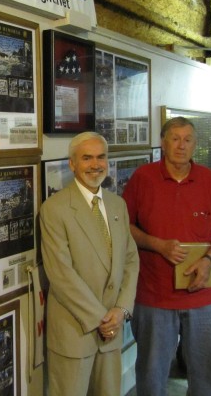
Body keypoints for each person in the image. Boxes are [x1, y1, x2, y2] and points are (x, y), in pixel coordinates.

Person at [122, 117, 211, 396]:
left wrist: (209, 259)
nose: (181, 145)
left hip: (203, 296)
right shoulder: (143, 178)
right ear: (163, 143)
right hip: (153, 296)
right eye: (175, 138)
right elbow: (124, 225)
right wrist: (156, 244)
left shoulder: (210, 180)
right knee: (151, 375)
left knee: (207, 376)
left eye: (187, 139)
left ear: (195, 145)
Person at [40, 132, 139, 396]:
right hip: (75, 333)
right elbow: (61, 274)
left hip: (112, 331)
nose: (95, 164)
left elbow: (131, 260)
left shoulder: (118, 205)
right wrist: (101, 319)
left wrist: (121, 310)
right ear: (72, 164)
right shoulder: (55, 209)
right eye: (87, 158)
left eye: (101, 157)